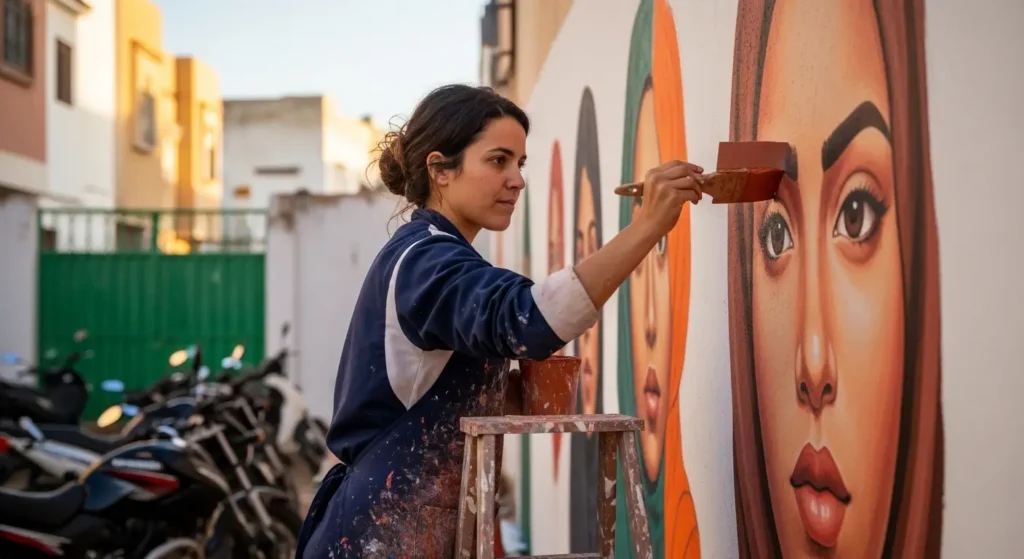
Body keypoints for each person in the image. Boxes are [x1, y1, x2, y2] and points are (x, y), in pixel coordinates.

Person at [294, 83, 704, 558]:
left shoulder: (437, 255)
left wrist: (509, 391)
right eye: (498, 160)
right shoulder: (425, 261)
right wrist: (649, 225)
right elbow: (527, 320)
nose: (517, 179)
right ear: (439, 169)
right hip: (379, 536)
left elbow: (433, 389)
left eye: (521, 163)